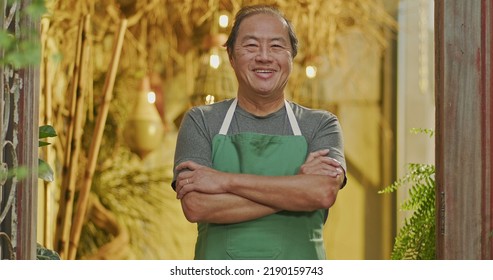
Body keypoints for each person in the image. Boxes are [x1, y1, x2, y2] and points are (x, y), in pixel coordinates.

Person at [172, 4, 347, 260]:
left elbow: (322, 192)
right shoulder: (201, 121)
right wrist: (297, 191)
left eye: (277, 46)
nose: (264, 56)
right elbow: (196, 206)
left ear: (291, 57)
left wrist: (224, 181)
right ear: (231, 56)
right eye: (251, 46)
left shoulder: (321, 124)